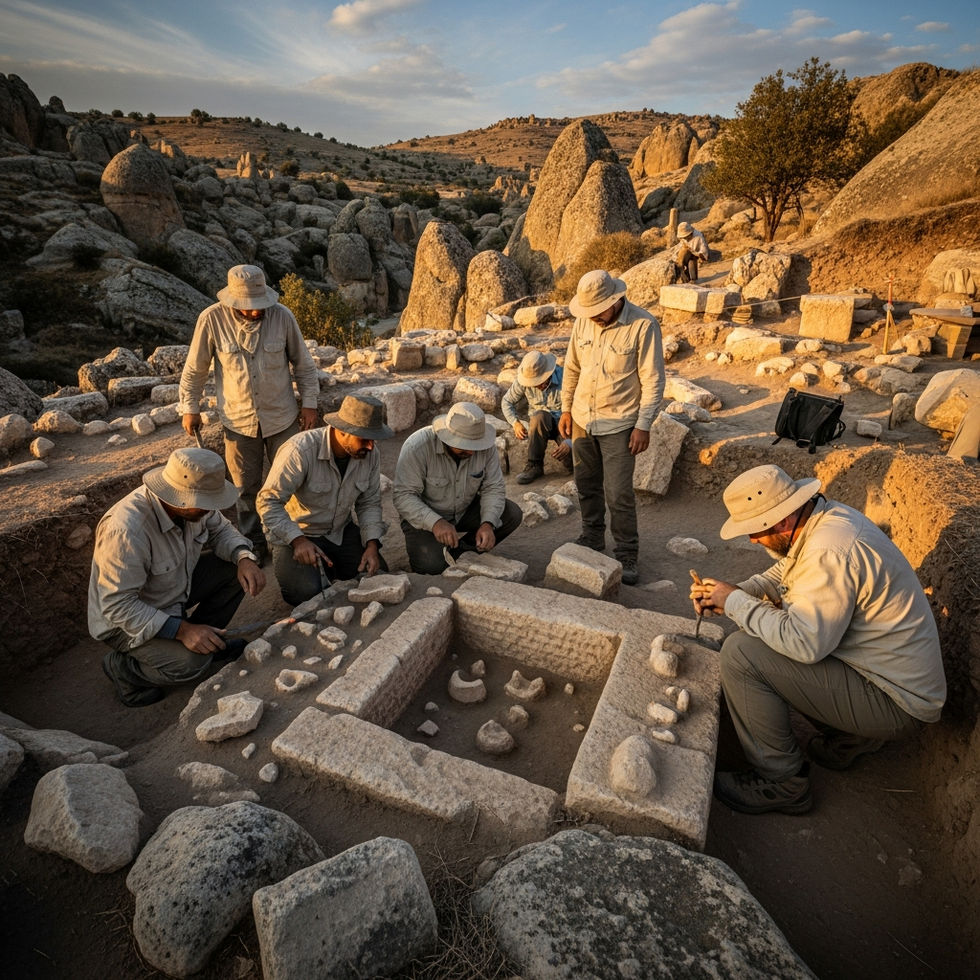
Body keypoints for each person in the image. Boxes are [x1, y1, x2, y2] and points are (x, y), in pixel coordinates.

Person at [690, 464, 946, 815]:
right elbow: (788, 568)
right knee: (762, 630)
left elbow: (804, 645)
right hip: (887, 679)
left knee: (742, 654)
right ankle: (853, 737)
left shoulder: (829, 551)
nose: (751, 540)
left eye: (755, 531)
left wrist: (735, 603)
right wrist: (741, 592)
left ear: (781, 521)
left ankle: (782, 782)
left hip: (896, 701)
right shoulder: (825, 518)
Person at [90, 448, 266, 707]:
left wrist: (243, 556)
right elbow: (117, 605)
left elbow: (221, 531)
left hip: (171, 589)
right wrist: (183, 631)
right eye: (205, 503)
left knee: (233, 569)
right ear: (179, 496)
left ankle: (209, 643)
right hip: (123, 621)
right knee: (191, 665)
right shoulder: (126, 530)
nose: (210, 509)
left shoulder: (197, 507)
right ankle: (123, 669)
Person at [179, 264, 320, 563]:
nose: (257, 312)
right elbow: (195, 369)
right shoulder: (211, 319)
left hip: (282, 416)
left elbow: (303, 364)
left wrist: (310, 403)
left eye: (260, 306)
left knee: (294, 479)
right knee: (245, 488)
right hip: (238, 421)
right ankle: (255, 542)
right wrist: (190, 408)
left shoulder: (282, 316)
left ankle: (298, 534)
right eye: (249, 307)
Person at [559, 269, 665, 585]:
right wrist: (565, 409)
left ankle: (627, 553)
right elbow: (572, 367)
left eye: (598, 311)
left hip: (620, 423)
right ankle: (592, 537)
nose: (592, 317)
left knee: (618, 493)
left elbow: (653, 380)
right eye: (587, 312)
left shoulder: (643, 326)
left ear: (615, 300)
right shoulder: (584, 321)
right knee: (586, 484)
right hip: (582, 418)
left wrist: (643, 426)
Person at [257, 394, 393, 606]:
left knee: (379, 575)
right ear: (342, 431)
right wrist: (297, 540)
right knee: (306, 595)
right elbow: (267, 502)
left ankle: (331, 567)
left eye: (373, 438)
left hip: (340, 531)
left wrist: (372, 543)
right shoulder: (300, 450)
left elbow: (369, 502)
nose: (370, 446)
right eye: (364, 438)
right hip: (298, 533)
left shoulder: (369, 454)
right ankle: (319, 570)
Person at [393, 401, 523, 574]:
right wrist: (436, 522)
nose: (472, 452)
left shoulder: (485, 447)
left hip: (463, 510)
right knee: (431, 568)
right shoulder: (417, 447)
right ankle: (440, 553)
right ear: (447, 436)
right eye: (465, 446)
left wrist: (488, 523)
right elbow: (403, 496)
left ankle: (460, 551)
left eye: (475, 446)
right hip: (424, 517)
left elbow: (493, 487)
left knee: (511, 514)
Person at [501, 349, 573, 485]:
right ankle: (534, 465)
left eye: (539, 381)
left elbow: (581, 411)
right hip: (540, 424)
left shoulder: (565, 378)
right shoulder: (523, 381)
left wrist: (570, 442)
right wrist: (515, 423)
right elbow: (506, 401)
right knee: (539, 416)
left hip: (565, 425)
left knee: (572, 462)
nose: (535, 385)